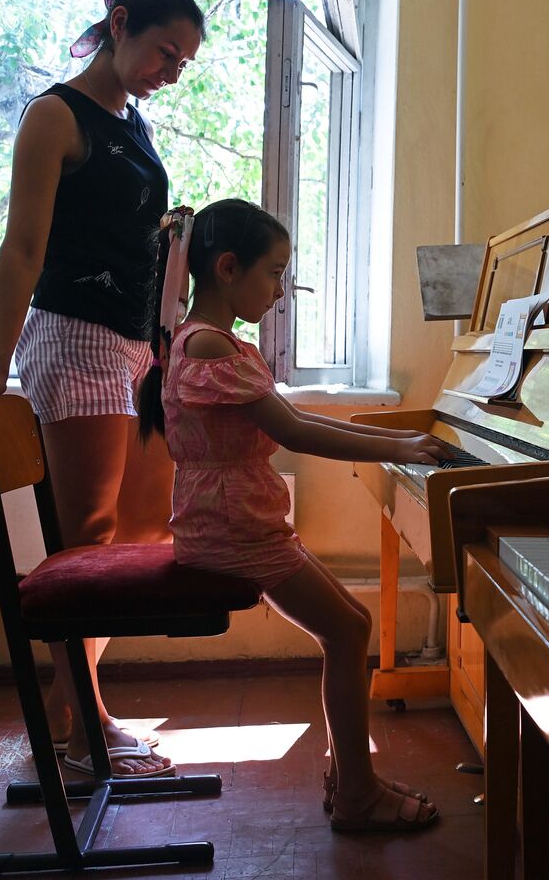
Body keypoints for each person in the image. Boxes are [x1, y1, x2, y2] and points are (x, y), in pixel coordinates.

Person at [0, 0, 205, 777]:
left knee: (148, 530)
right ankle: (87, 729)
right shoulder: (55, 115)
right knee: (88, 542)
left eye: (184, 63)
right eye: (165, 52)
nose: (172, 72)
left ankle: (68, 705)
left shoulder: (134, 123)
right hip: (75, 338)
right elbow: (22, 247)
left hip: (135, 345)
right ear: (120, 24)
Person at [140, 200, 447, 830]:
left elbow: (295, 420)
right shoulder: (208, 345)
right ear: (228, 268)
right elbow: (297, 432)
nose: (280, 291)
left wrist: (396, 443)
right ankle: (357, 793)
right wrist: (398, 449)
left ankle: (351, 776)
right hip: (233, 531)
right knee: (348, 630)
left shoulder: (205, 340)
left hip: (234, 521)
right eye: (275, 273)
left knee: (351, 624)